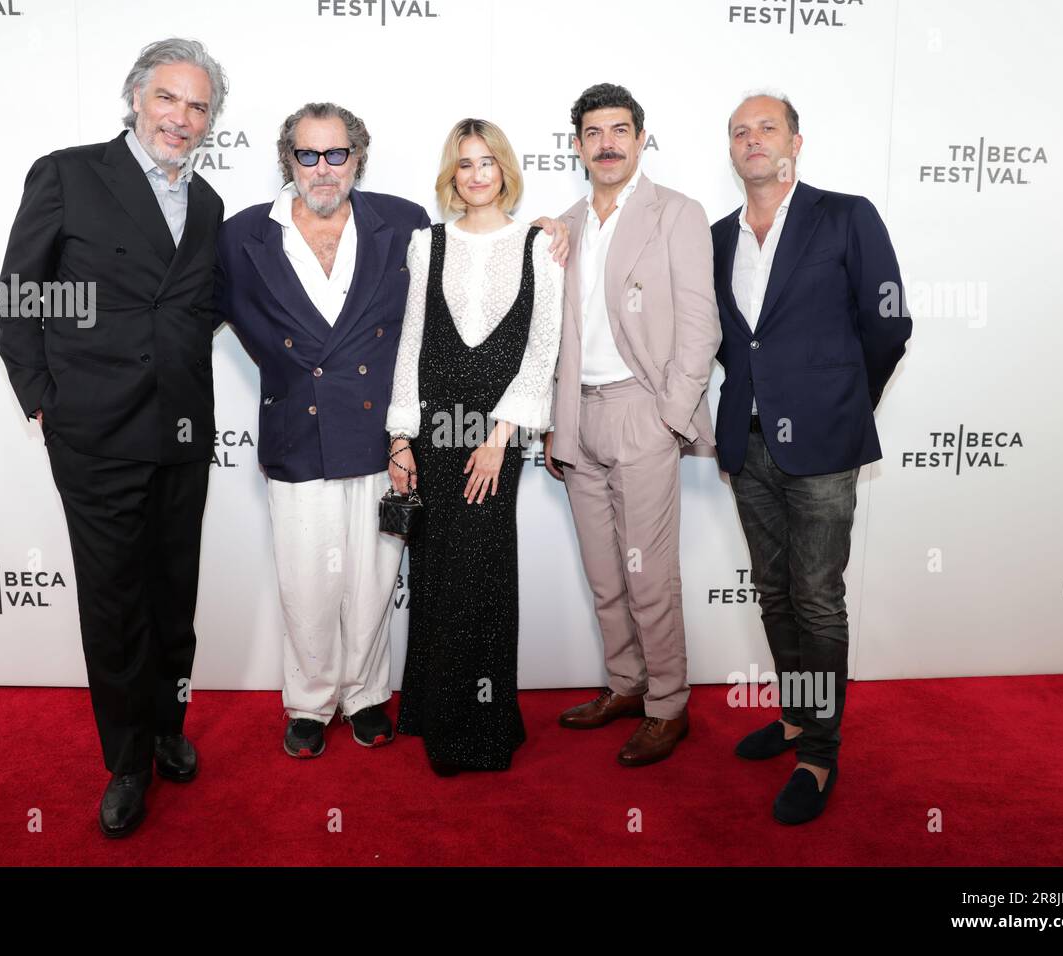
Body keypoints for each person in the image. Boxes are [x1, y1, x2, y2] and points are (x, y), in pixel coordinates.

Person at [218, 105, 569, 760]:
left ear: (357, 157)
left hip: (378, 431)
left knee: (377, 576)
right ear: (286, 160)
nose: (323, 168)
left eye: (336, 153)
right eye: (308, 155)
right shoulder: (242, 236)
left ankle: (366, 695)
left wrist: (550, 226)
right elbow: (193, 316)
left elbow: (433, 331)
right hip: (303, 430)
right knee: (306, 579)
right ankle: (310, 701)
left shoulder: (398, 224)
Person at [0, 38, 228, 838]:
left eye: (198, 106)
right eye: (168, 98)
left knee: (173, 592)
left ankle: (167, 725)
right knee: (115, 601)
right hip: (94, 430)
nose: (181, 118)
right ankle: (127, 759)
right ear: (136, 98)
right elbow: (20, 295)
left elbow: (202, 307)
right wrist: (44, 401)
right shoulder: (67, 172)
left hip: (182, 428)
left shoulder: (209, 205)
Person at [711, 92, 911, 823]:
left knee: (818, 598)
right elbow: (736, 343)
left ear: (796, 140)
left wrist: (845, 397)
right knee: (774, 592)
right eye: (740, 131)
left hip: (825, 442)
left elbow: (889, 320)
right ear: (730, 150)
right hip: (748, 443)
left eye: (766, 127)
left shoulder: (846, 215)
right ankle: (797, 718)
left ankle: (819, 756)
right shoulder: (717, 236)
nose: (752, 140)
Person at [542, 83, 721, 767]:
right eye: (593, 132)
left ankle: (668, 704)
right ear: (579, 144)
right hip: (576, 419)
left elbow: (700, 324)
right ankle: (625, 684)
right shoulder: (565, 223)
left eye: (620, 129)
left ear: (641, 138)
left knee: (649, 576)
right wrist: (557, 427)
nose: (607, 142)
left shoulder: (676, 213)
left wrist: (671, 416)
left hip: (642, 413)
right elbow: (556, 336)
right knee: (604, 573)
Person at [385, 119, 563, 775]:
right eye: (465, 164)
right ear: (452, 176)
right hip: (433, 429)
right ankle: (435, 713)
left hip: (495, 436)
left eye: (488, 161)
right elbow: (412, 343)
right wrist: (401, 435)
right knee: (435, 572)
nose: (477, 173)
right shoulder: (424, 244)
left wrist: (500, 439)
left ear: (505, 169)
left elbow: (542, 348)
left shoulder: (539, 243)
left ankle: (481, 727)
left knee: (483, 573)